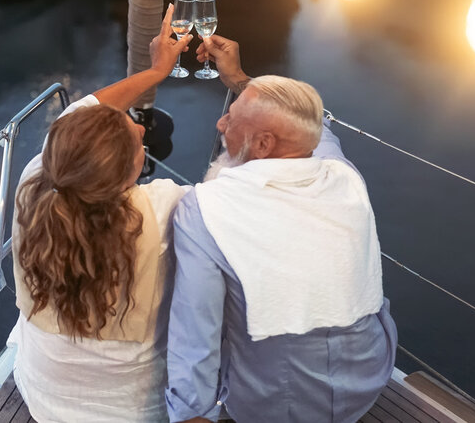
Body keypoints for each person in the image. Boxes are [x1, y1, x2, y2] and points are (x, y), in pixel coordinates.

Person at [165, 35, 397, 423]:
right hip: (368, 379)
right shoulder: (342, 174)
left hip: (277, 404)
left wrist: (191, 415)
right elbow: (318, 130)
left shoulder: (205, 210)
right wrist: (238, 78)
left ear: (263, 144)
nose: (221, 122)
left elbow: (196, 337)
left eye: (232, 119)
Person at [8, 4, 193, 422]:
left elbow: (78, 114)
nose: (143, 128)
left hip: (43, 398)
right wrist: (237, 82)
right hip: (133, 412)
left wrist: (154, 71)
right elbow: (245, 191)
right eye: (136, 137)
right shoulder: (163, 209)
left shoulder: (37, 180)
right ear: (129, 173)